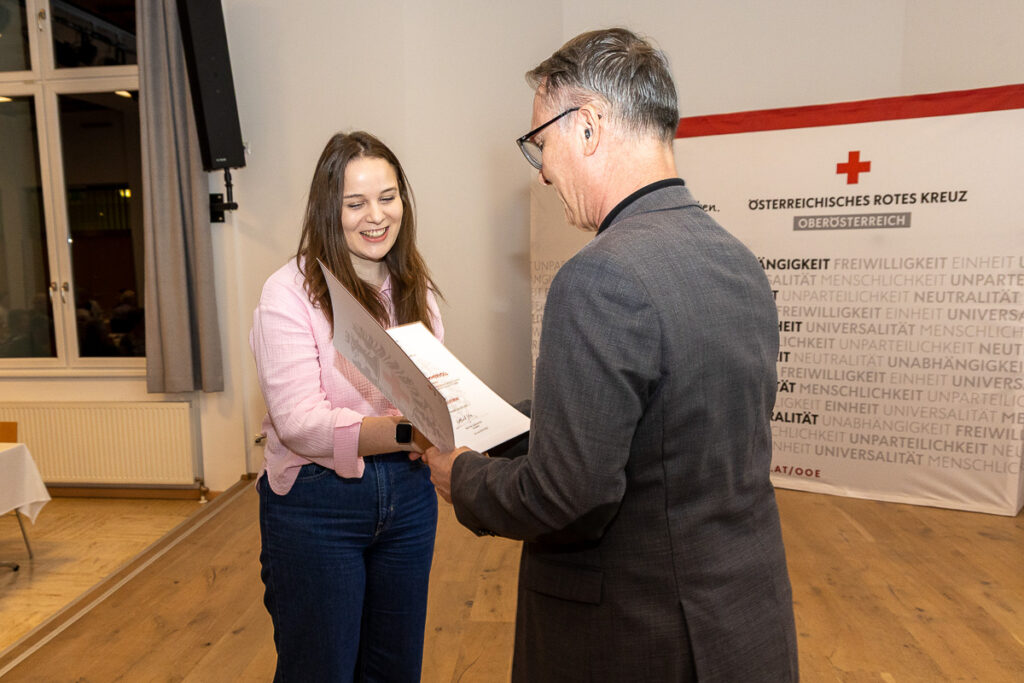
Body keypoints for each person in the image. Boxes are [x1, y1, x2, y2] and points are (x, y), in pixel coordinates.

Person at [419, 28, 799, 681]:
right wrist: (501, 423)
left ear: (588, 126)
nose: (542, 171)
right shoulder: (737, 260)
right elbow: (658, 423)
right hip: (741, 621)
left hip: (640, 636)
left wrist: (466, 480)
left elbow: (568, 495)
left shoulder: (600, 276)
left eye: (540, 143)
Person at [251, 131, 442, 681]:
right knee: (321, 669)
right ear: (327, 210)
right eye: (355, 203)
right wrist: (409, 431)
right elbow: (300, 424)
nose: (375, 216)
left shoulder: (415, 288)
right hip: (316, 504)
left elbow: (433, 390)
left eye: (387, 197)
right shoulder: (288, 292)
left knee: (395, 670)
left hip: (409, 498)